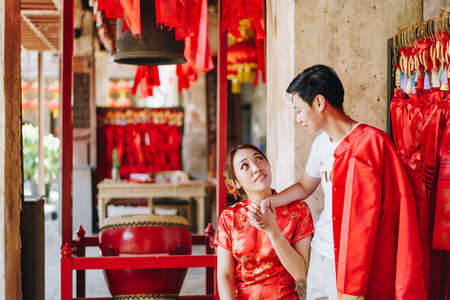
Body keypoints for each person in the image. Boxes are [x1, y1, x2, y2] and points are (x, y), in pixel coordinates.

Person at [252, 65, 427, 300]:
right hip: (321, 252)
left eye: (299, 110)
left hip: (354, 260)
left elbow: (395, 209)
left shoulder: (373, 143)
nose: (298, 119)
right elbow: (305, 186)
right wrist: (269, 201)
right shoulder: (321, 144)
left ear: (319, 103)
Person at [215, 144, 314, 300]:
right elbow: (224, 275)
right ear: (235, 182)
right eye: (245, 166)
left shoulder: (298, 210)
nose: (256, 167)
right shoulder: (229, 217)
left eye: (259, 158)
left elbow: (301, 273)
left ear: (268, 164)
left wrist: (273, 231)